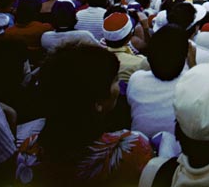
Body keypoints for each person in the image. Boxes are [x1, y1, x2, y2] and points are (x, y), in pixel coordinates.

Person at [16, 44, 152, 186]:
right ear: (97, 103)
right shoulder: (132, 148)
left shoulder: (27, 151)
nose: (119, 86)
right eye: (115, 80)